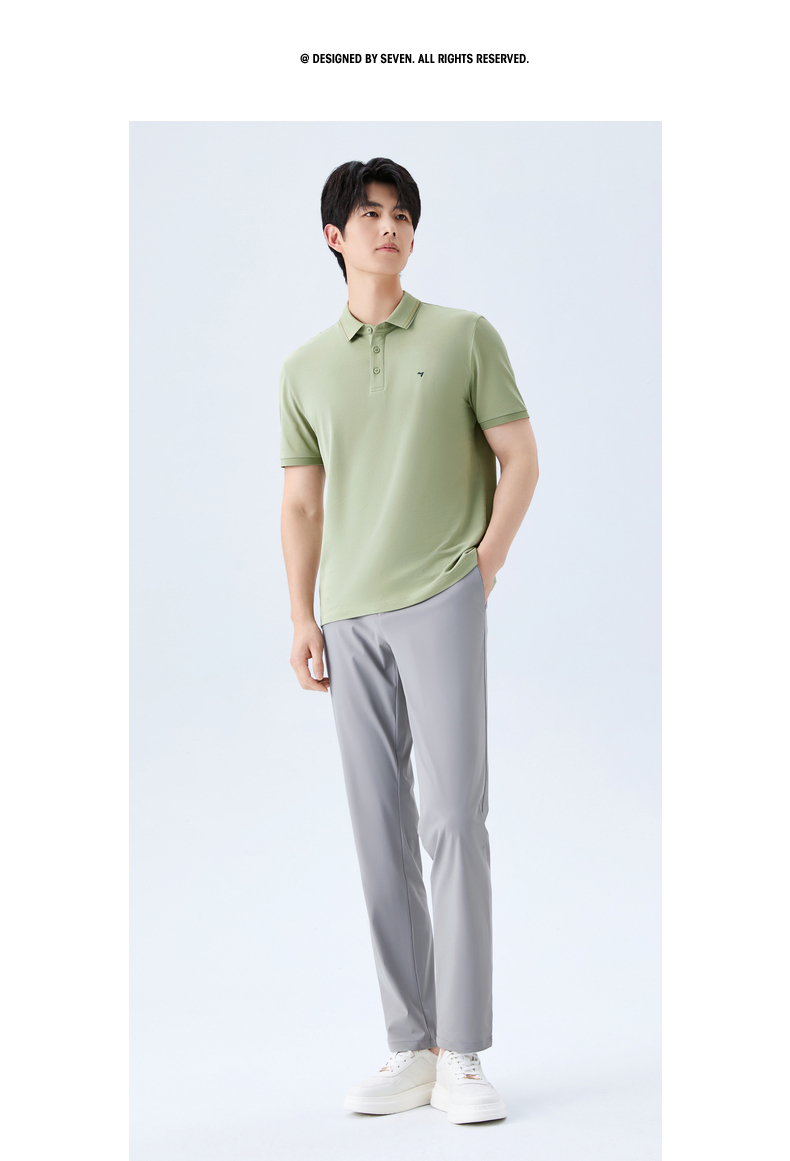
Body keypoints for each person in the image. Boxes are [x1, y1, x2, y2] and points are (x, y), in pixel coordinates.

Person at [278, 157, 539, 1125]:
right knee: (377, 829)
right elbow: (301, 504)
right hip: (348, 613)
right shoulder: (305, 369)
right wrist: (302, 615)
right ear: (335, 237)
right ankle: (410, 1043)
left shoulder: (465, 336)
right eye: (370, 213)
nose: (389, 226)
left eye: (401, 214)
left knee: (453, 818)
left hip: (440, 595)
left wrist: (483, 566)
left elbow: (520, 457)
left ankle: (461, 1049)